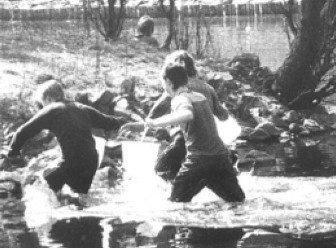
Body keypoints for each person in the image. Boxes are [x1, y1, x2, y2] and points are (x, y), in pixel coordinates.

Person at [127, 64, 244, 203]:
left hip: (199, 160)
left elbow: (187, 114)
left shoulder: (179, 99)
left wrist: (155, 123)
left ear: (169, 82)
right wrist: (140, 126)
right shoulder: (199, 96)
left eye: (163, 83)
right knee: (237, 201)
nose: (164, 87)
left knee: (174, 204)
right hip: (221, 158)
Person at [4, 80, 128, 205]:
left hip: (71, 161)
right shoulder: (82, 108)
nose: (43, 107)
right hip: (91, 161)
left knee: (40, 187)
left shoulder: (51, 109)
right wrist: (125, 122)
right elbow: (109, 122)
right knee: (78, 201)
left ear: (48, 98)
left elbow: (21, 132)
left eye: (42, 103)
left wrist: (12, 154)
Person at [148, 50, 230, 181]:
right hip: (210, 145)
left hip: (183, 141)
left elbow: (155, 113)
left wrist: (150, 126)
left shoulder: (176, 88)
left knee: (161, 170)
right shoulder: (208, 88)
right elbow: (223, 116)